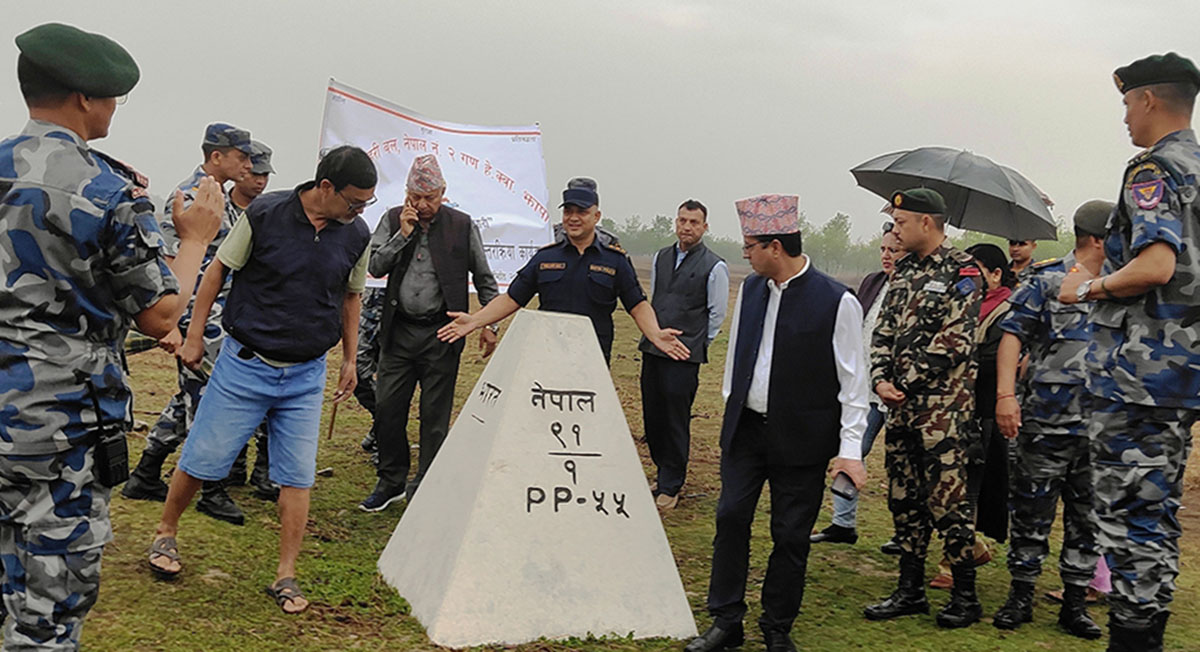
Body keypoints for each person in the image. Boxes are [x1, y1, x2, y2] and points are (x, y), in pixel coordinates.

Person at [1, 22, 223, 649]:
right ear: (84, 98)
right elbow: (160, 316)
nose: (113, 108)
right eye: (112, 97)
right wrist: (196, 239)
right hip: (56, 431)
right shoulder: (104, 190)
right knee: (46, 615)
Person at [147, 145, 375, 615]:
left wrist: (350, 360)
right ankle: (166, 532)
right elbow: (217, 272)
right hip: (245, 365)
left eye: (366, 204)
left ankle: (285, 575)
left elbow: (351, 297)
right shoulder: (267, 214)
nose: (359, 211)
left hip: (306, 374)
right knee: (204, 457)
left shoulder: (356, 234)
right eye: (354, 202)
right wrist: (194, 337)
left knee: (297, 475)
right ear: (326, 187)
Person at [1058, 52, 1200, 651]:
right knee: (1154, 518)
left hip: (1137, 377)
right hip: (1180, 375)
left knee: (1128, 522)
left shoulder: (1152, 168)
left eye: (1125, 103)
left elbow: (1156, 265)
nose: (1124, 117)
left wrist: (1087, 287)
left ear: (1147, 99)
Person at [684, 194, 868, 652]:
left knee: (789, 535)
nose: (744, 253)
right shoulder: (752, 288)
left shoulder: (837, 301)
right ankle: (726, 619)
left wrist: (850, 451)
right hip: (746, 431)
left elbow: (854, 384)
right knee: (730, 517)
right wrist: (731, 404)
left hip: (802, 439)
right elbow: (738, 354)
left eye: (750, 246)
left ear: (776, 247)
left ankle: (777, 626)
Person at [122, 122, 257, 526]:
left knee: (190, 396)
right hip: (199, 317)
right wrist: (173, 325)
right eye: (241, 156)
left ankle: (146, 473)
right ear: (216, 156)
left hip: (219, 315)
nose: (248, 165)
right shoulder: (189, 196)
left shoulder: (220, 198)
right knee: (211, 402)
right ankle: (211, 489)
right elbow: (168, 262)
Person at [863, 188, 984, 629]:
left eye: (901, 223)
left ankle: (965, 596)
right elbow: (883, 331)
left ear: (927, 223)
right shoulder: (905, 270)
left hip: (942, 415)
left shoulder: (962, 270)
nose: (895, 231)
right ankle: (909, 590)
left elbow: (956, 341)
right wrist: (880, 378)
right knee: (904, 500)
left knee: (947, 502)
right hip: (900, 410)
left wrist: (904, 381)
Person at [992, 201, 1111, 640]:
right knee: (1030, 511)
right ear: (1097, 238)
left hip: (1101, 428)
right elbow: (1012, 336)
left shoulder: (1123, 284)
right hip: (1046, 421)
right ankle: (1020, 595)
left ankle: (1075, 603)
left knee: (1088, 517)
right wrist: (1006, 396)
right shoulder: (1046, 280)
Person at [359, 154, 500, 512]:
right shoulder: (393, 219)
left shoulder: (461, 225)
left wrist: (489, 323)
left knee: (434, 415)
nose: (422, 205)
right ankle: (391, 481)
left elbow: (485, 278)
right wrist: (402, 235)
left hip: (443, 333)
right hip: (399, 331)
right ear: (406, 194)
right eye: (416, 197)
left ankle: (426, 485)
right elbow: (374, 265)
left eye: (430, 198)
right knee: (388, 408)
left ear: (443, 193)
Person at [435, 178, 690, 364]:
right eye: (568, 211)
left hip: (592, 357)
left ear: (596, 216)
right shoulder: (546, 258)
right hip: (547, 355)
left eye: (582, 212)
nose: (573, 218)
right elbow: (512, 298)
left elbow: (637, 304)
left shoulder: (615, 261)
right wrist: (476, 320)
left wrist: (654, 333)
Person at [923, 243, 1012, 589]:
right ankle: (971, 548)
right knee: (940, 483)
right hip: (949, 409)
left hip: (982, 412)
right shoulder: (963, 306)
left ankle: (953, 564)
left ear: (995, 274)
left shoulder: (1006, 312)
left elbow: (991, 360)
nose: (972, 278)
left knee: (968, 487)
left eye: (979, 271)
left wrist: (954, 354)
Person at [813, 222, 901, 545]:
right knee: (851, 450)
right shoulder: (873, 282)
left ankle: (905, 533)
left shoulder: (915, 288)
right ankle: (843, 523)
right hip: (864, 390)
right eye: (883, 249)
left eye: (894, 250)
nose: (886, 255)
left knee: (900, 465)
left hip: (896, 392)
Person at [640, 199, 729, 510]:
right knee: (653, 415)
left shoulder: (715, 266)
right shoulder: (661, 257)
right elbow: (655, 298)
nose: (686, 227)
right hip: (654, 347)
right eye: (682, 220)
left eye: (693, 222)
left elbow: (716, 314)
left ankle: (672, 483)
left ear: (704, 227)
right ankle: (661, 472)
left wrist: (696, 343)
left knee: (675, 419)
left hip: (683, 355)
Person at [229, 138, 279, 502]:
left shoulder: (271, 214)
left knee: (268, 399)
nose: (260, 181)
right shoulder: (216, 207)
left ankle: (264, 471)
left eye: (265, 175)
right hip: (221, 316)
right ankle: (230, 467)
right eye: (255, 173)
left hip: (258, 315)